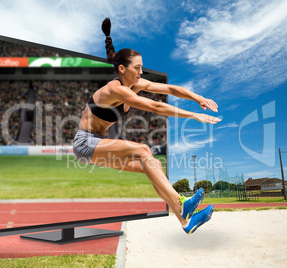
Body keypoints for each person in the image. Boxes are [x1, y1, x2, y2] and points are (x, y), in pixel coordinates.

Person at [73, 18, 222, 234]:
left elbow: (169, 89)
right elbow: (155, 106)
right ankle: (182, 203)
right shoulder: (114, 90)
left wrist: (197, 97)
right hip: (85, 144)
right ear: (122, 69)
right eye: (138, 68)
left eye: (142, 68)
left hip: (98, 145)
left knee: (152, 165)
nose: (142, 73)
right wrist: (194, 116)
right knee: (144, 150)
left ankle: (186, 222)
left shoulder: (132, 84)